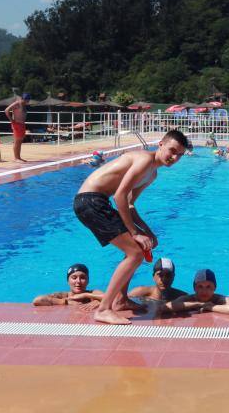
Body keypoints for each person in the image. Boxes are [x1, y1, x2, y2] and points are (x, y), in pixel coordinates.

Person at [73, 129, 189, 325]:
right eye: (172, 150)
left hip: (97, 202)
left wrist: (147, 232)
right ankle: (104, 309)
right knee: (135, 253)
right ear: (160, 144)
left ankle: (121, 300)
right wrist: (135, 232)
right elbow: (119, 195)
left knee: (135, 250)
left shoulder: (152, 174)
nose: (174, 157)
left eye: (179, 155)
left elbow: (129, 204)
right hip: (90, 201)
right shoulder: (144, 159)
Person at [164, 269, 229, 315]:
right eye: (200, 286)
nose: (204, 291)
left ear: (215, 288)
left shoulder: (220, 299)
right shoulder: (189, 298)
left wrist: (210, 307)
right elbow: (165, 307)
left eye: (208, 287)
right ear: (194, 288)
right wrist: (198, 304)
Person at [32, 263, 104, 307]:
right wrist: (65, 302)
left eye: (82, 278)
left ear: (88, 281)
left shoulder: (92, 293)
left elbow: (108, 297)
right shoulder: (63, 296)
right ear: (68, 281)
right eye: (74, 277)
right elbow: (37, 300)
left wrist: (85, 295)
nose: (78, 281)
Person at [5, 92, 31, 162]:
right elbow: (6, 110)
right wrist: (12, 120)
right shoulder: (17, 103)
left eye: (28, 100)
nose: (27, 101)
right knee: (17, 141)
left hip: (22, 124)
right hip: (17, 124)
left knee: (20, 141)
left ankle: (19, 157)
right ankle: (16, 158)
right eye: (26, 100)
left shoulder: (24, 105)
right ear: (22, 99)